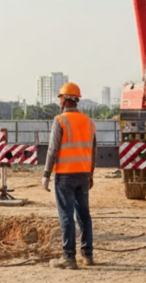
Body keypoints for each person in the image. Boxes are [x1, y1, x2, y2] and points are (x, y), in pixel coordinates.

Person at [42, 82, 96, 269]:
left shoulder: (60, 120)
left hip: (64, 176)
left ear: (64, 99)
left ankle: (69, 257)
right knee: (84, 215)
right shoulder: (89, 122)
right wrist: (91, 174)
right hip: (82, 174)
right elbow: (93, 150)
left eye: (60, 98)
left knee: (66, 216)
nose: (60, 102)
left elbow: (52, 150)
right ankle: (87, 255)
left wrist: (46, 174)